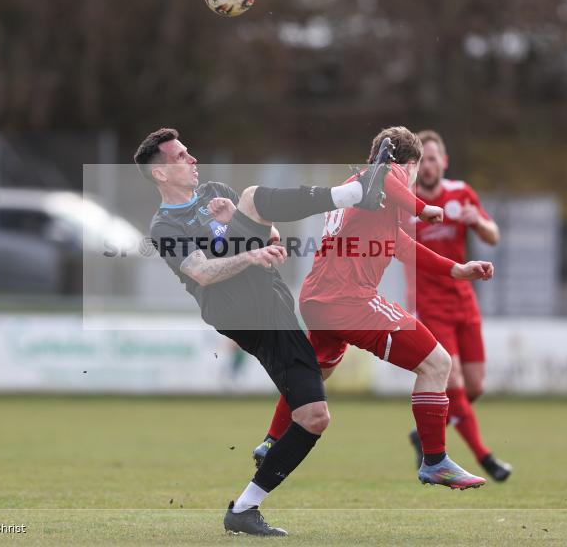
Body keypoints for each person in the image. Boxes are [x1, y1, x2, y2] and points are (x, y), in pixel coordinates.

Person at [133, 126, 421, 536]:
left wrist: (245, 229)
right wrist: (251, 254)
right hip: (234, 308)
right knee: (252, 196)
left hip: (272, 305)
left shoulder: (216, 191)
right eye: (181, 156)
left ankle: (244, 508)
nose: (192, 159)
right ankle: (356, 193)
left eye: (188, 152)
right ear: (160, 173)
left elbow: (269, 231)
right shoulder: (165, 225)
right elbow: (202, 272)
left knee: (314, 417)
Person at [252, 126, 492, 490]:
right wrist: (423, 207)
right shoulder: (380, 178)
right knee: (438, 363)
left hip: (318, 300)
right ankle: (435, 461)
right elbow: (387, 176)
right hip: (350, 299)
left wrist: (455, 269)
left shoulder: (366, 194)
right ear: (409, 164)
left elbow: (401, 244)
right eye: (415, 170)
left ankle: (272, 440)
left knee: (313, 376)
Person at [405, 129, 512, 481]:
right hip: (431, 305)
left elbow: (493, 236)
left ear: (444, 162)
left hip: (465, 301)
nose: (428, 166)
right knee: (453, 379)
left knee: (475, 386)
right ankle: (486, 459)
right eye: (422, 160)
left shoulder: (461, 193)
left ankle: (424, 432)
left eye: (433, 159)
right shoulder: (406, 202)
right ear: (415, 166)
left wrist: (476, 221)